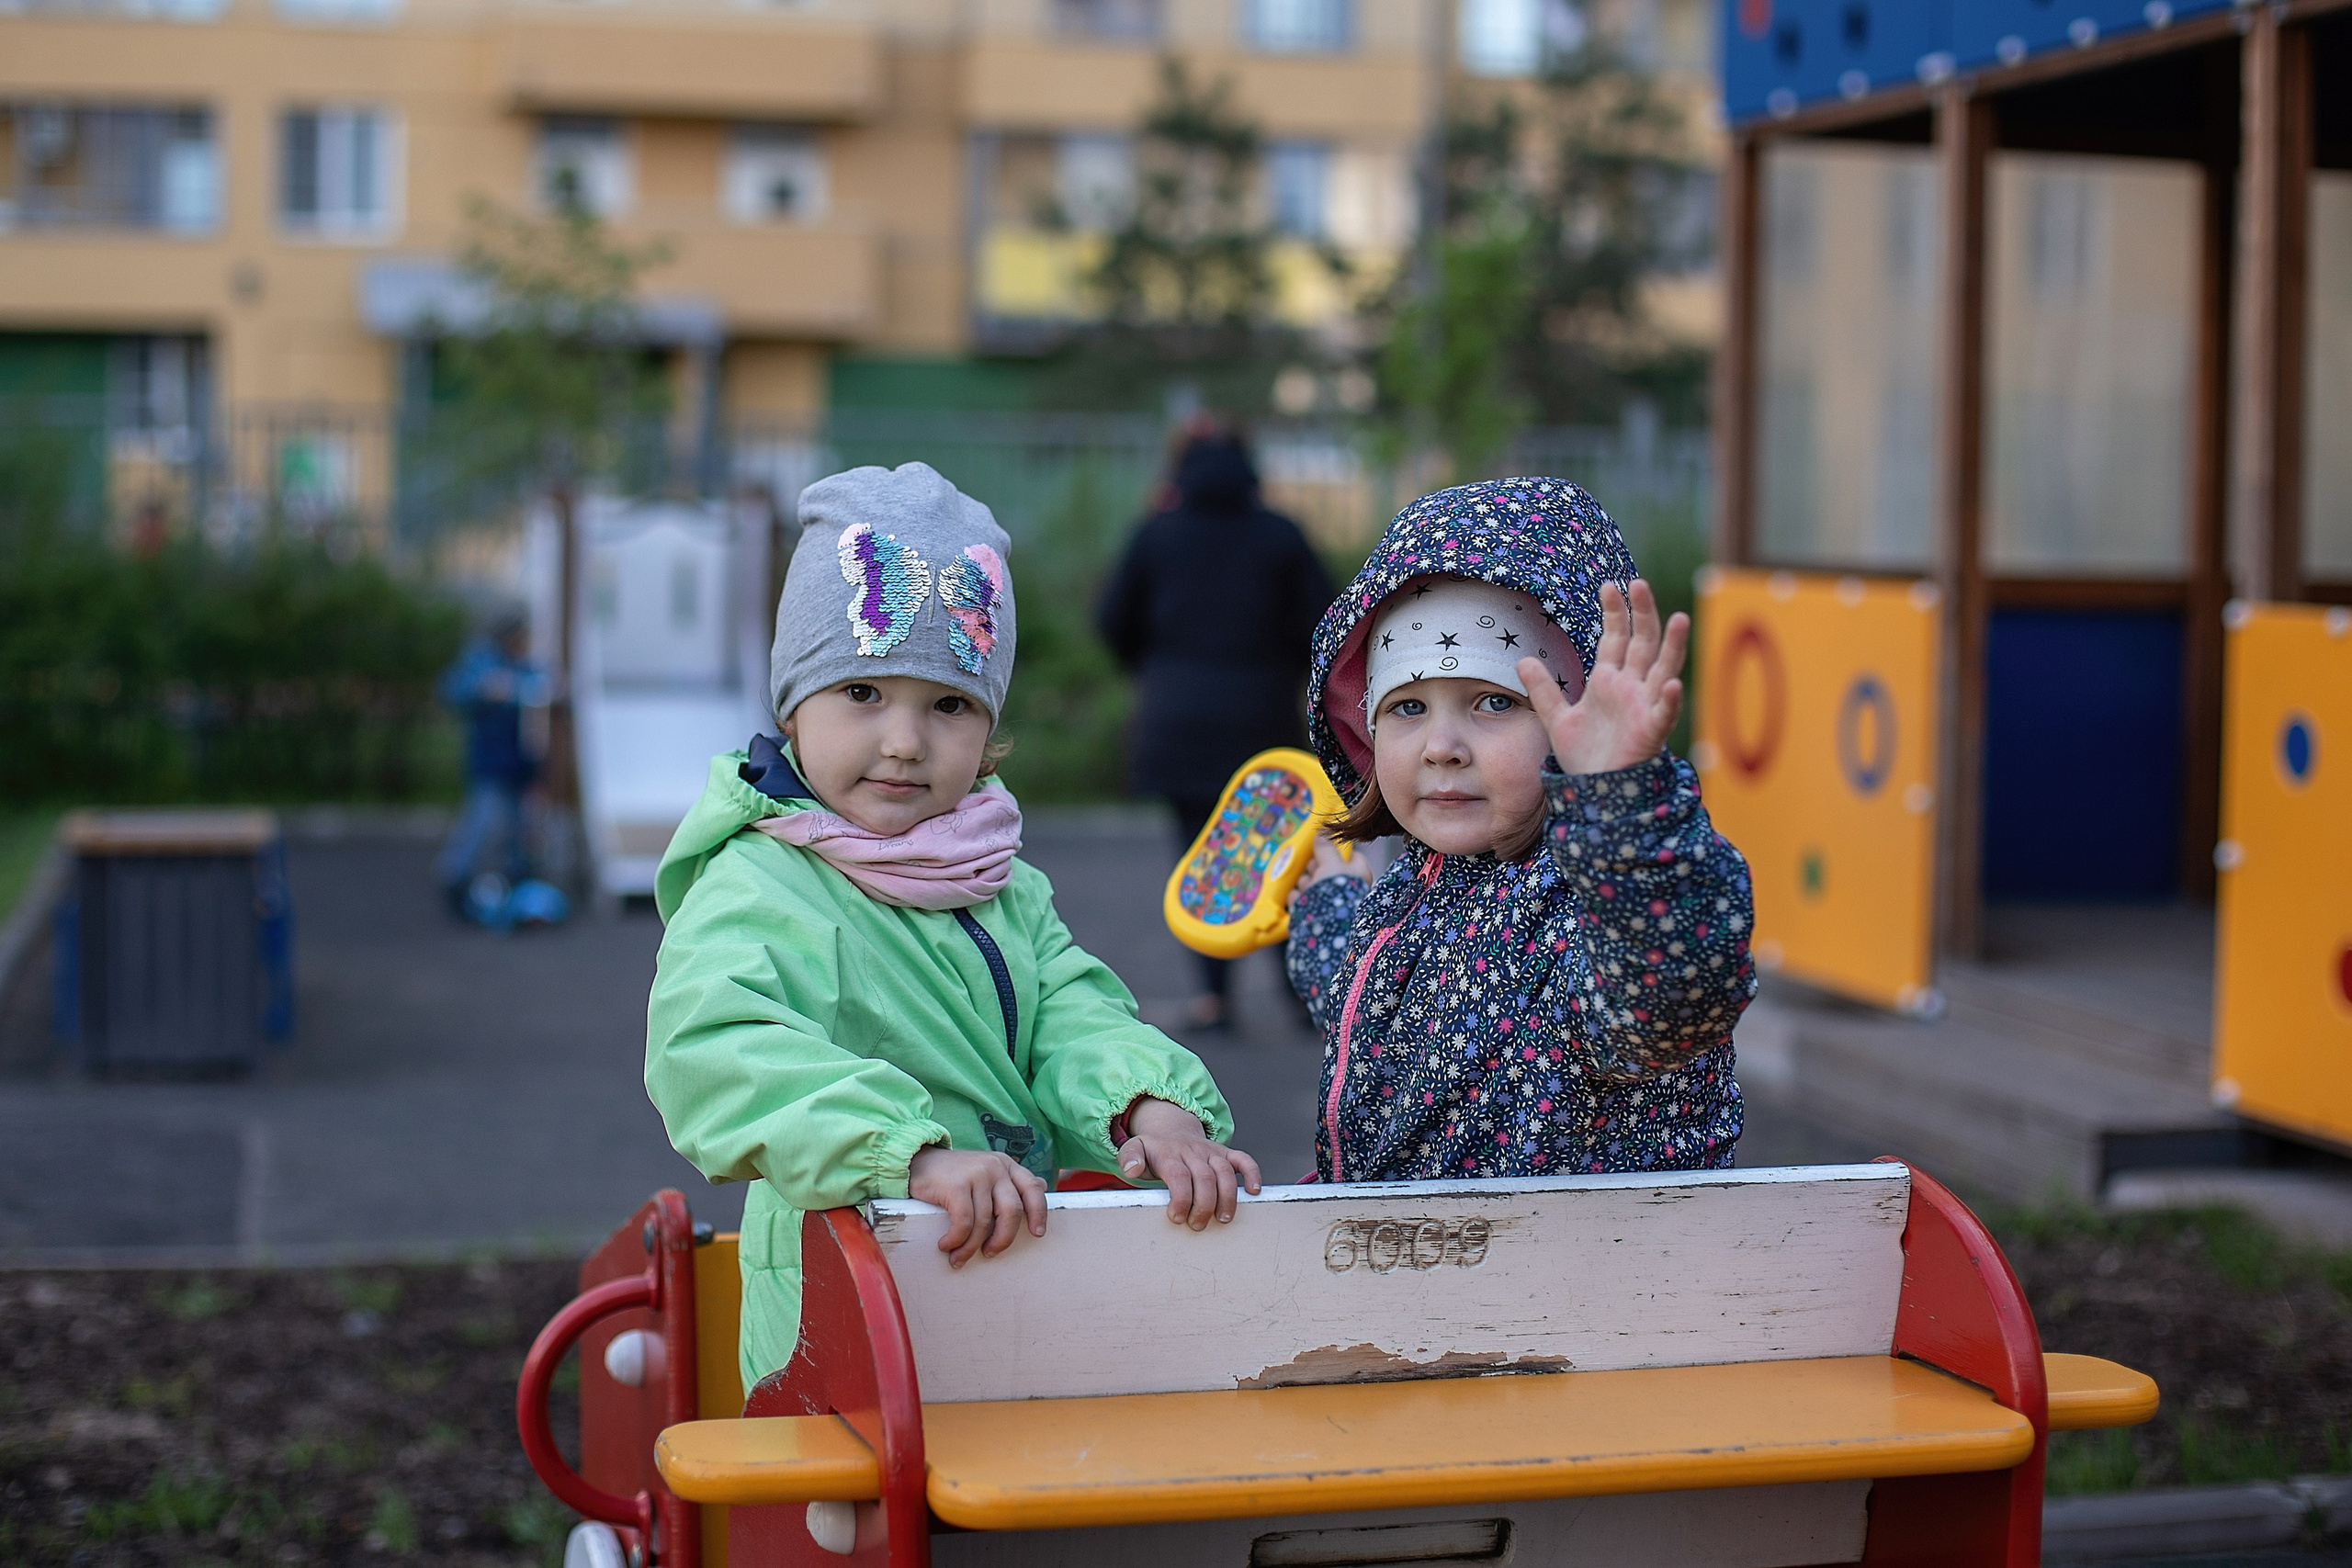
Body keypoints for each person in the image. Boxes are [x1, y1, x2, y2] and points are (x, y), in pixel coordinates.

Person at [645, 461, 1261, 1393]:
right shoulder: (759, 884)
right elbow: (720, 1050)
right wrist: (907, 1153)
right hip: (845, 1313)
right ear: (789, 707)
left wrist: (1147, 1104)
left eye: (948, 705)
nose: (904, 740)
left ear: (988, 729)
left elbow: (1069, 1012)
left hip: (1008, 1279)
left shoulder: (996, 877)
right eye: (863, 695)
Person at [1283, 478, 1753, 1183]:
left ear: (1581, 717)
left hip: (1572, 1283)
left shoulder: (1589, 911)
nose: (1442, 745)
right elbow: (1379, 1001)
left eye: (1493, 701)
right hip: (1416, 1277)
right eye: (1408, 707)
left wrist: (1621, 800)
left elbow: (1672, 993)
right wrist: (1329, 904)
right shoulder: (1419, 883)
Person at [1096, 426, 1333, 1031]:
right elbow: (1326, 618)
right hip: (1260, 716)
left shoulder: (1157, 533)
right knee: (1282, 848)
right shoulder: (1281, 535)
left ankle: (1215, 997)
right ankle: (1299, 993)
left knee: (1203, 853)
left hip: (1176, 715)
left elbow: (1111, 618)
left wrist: (1156, 668)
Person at [435, 606, 548, 918]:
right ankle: (455, 880)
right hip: (490, 762)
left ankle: (518, 882)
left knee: (519, 826)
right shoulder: (482, 662)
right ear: (506, 637)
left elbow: (542, 686)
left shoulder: (527, 665)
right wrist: (485, 690)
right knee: (482, 821)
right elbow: (452, 690)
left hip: (522, 763)